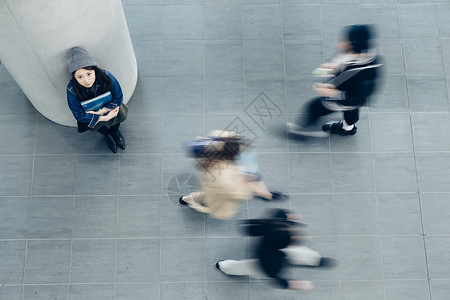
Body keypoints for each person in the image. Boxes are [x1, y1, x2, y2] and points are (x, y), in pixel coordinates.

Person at [287, 24, 381, 137]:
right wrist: (332, 68)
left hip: (344, 97)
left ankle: (300, 130)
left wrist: (330, 92)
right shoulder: (366, 53)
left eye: (346, 40)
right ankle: (348, 128)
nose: (341, 41)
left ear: (354, 44)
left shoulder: (358, 72)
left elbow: (356, 98)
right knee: (351, 110)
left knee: (314, 107)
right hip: (350, 96)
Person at [214, 209, 336, 290]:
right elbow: (276, 279)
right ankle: (224, 266)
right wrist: (296, 284)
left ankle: (316, 261)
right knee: (245, 267)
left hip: (272, 250)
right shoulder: (271, 264)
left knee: (302, 253)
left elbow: (280, 215)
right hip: (263, 262)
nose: (297, 235)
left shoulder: (275, 225)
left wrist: (290, 217)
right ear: (286, 244)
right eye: (294, 236)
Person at [179, 130, 288, 220]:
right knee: (206, 200)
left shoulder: (218, 142)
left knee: (205, 194)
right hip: (217, 192)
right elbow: (237, 194)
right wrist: (249, 185)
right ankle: (189, 201)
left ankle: (186, 199)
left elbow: (229, 137)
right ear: (233, 156)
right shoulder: (222, 174)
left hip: (216, 183)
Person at [67, 47, 128, 153]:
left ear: (94, 70)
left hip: (110, 109)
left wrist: (100, 112)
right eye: (79, 77)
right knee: (96, 124)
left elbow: (118, 98)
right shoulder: (72, 89)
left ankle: (115, 131)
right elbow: (79, 115)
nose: (86, 80)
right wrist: (103, 118)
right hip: (92, 116)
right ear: (75, 77)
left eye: (89, 74)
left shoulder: (107, 76)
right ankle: (107, 135)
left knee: (117, 115)